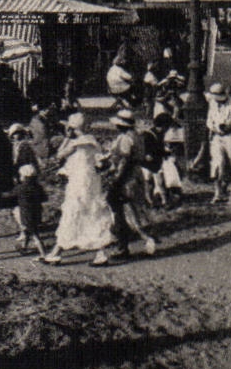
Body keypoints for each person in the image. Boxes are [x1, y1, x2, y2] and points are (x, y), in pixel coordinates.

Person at [42, 113, 115, 266]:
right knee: (91, 213)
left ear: (72, 127)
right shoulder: (92, 140)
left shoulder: (76, 143)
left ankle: (57, 252)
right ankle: (100, 253)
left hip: (79, 182)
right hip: (91, 181)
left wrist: (67, 137)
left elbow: (60, 154)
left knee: (73, 213)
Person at [100, 109, 157, 262]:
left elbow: (124, 160)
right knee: (132, 211)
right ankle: (137, 240)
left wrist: (117, 178)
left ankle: (128, 244)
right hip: (136, 174)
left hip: (126, 177)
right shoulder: (137, 136)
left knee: (124, 211)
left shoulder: (125, 139)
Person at [204, 83, 231, 204]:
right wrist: (215, 128)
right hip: (217, 136)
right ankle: (217, 192)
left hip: (230, 136)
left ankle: (228, 188)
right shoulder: (212, 103)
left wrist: (230, 127)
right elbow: (209, 120)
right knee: (218, 163)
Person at [11, 163, 48, 258]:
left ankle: (43, 254)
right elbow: (44, 198)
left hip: (26, 214)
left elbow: (11, 194)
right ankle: (24, 247)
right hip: (37, 212)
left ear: (24, 176)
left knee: (35, 235)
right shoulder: (38, 187)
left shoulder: (21, 188)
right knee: (28, 231)